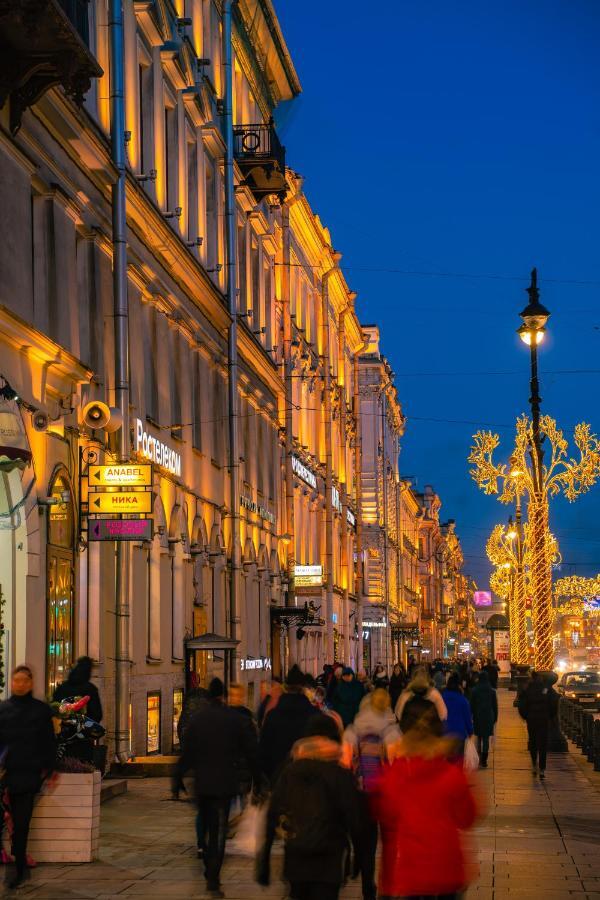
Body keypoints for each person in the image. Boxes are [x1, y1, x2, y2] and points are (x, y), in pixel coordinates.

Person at [371, 693, 479, 900]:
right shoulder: (452, 774)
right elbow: (467, 818)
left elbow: (386, 819)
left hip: (410, 872)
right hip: (447, 870)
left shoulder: (394, 775)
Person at [257, 713, 362, 900]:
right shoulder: (340, 775)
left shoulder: (290, 771)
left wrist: (264, 857)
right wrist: (358, 856)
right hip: (329, 859)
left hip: (297, 857)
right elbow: (354, 818)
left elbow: (273, 812)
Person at [174, 677, 259, 898]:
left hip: (202, 782)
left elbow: (187, 752)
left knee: (206, 819)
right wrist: (258, 777)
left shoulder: (199, 720)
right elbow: (250, 751)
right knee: (219, 830)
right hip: (224, 782)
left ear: (209, 696)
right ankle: (214, 877)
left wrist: (177, 779)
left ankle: (206, 859)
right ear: (223, 696)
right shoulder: (233, 719)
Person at [0, 665, 56, 889]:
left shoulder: (40, 711)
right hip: (7, 774)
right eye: (16, 681)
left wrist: (50, 769)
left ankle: (19, 866)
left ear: (30, 683)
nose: (20, 684)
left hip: (28, 774)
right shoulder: (4, 710)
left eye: (24, 681)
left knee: (22, 823)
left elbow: (48, 742)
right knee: (10, 821)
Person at [343, 689, 400, 900]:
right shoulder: (392, 731)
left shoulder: (352, 731)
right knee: (389, 844)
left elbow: (345, 764)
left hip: (360, 796)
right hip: (385, 795)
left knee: (365, 845)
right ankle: (388, 887)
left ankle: (368, 886)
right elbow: (397, 764)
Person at [258, 665, 315, 784]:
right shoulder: (314, 715)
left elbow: (263, 750)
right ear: (303, 689)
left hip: (279, 779)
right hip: (308, 780)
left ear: (286, 688)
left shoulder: (273, 716)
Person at [518, 670, 558, 780]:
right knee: (543, 744)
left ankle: (534, 765)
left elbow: (521, 704)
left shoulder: (527, 688)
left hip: (531, 719)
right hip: (543, 719)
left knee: (533, 742)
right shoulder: (546, 688)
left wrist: (526, 716)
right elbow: (554, 703)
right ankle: (542, 769)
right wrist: (550, 715)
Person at [53, 656, 102, 725]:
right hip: (81, 730)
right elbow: (96, 714)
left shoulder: (63, 687)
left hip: (63, 729)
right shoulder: (90, 689)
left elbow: (54, 707)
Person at [470, 669, 498, 768]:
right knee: (486, 738)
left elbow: (472, 705)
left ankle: (479, 756)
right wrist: (495, 718)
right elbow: (495, 706)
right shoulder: (492, 691)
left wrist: (471, 715)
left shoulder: (474, 690)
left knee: (479, 736)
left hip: (478, 716)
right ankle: (484, 760)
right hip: (488, 716)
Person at [442, 673, 474, 757]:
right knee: (458, 760)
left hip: (445, 733)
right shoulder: (463, 700)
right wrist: (470, 731)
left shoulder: (442, 698)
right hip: (459, 734)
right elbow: (467, 718)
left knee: (447, 760)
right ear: (458, 686)